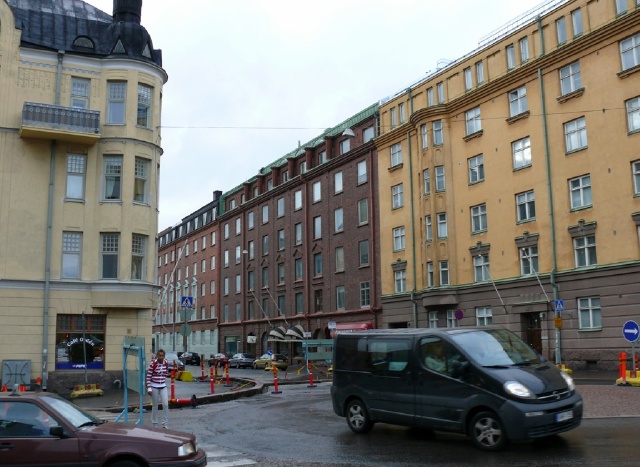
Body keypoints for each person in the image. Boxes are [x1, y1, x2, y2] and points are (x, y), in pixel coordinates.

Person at [146, 348, 170, 428]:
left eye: (162, 356)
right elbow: (148, 376)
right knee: (155, 406)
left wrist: (163, 379)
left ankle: (165, 424)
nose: (161, 357)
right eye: (159, 356)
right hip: (154, 386)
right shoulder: (153, 364)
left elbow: (166, 373)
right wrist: (149, 387)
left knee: (165, 404)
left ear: (164, 356)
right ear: (157, 356)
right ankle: (154, 424)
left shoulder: (166, 363)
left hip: (163, 386)